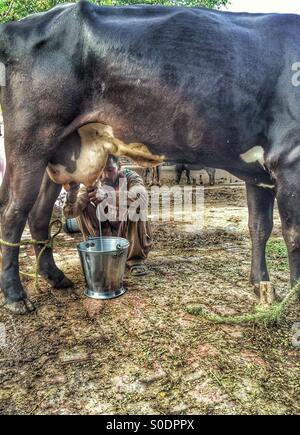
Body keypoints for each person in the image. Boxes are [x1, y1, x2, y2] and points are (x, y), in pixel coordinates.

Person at [63, 155, 153, 276]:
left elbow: (142, 199)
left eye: (110, 170)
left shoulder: (130, 177)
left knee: (137, 208)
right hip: (104, 234)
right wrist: (72, 193)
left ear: (119, 167)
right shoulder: (92, 182)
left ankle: (135, 260)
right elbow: (70, 213)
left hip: (127, 234)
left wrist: (107, 195)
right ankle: (99, 251)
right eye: (100, 170)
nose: (104, 175)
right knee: (84, 207)